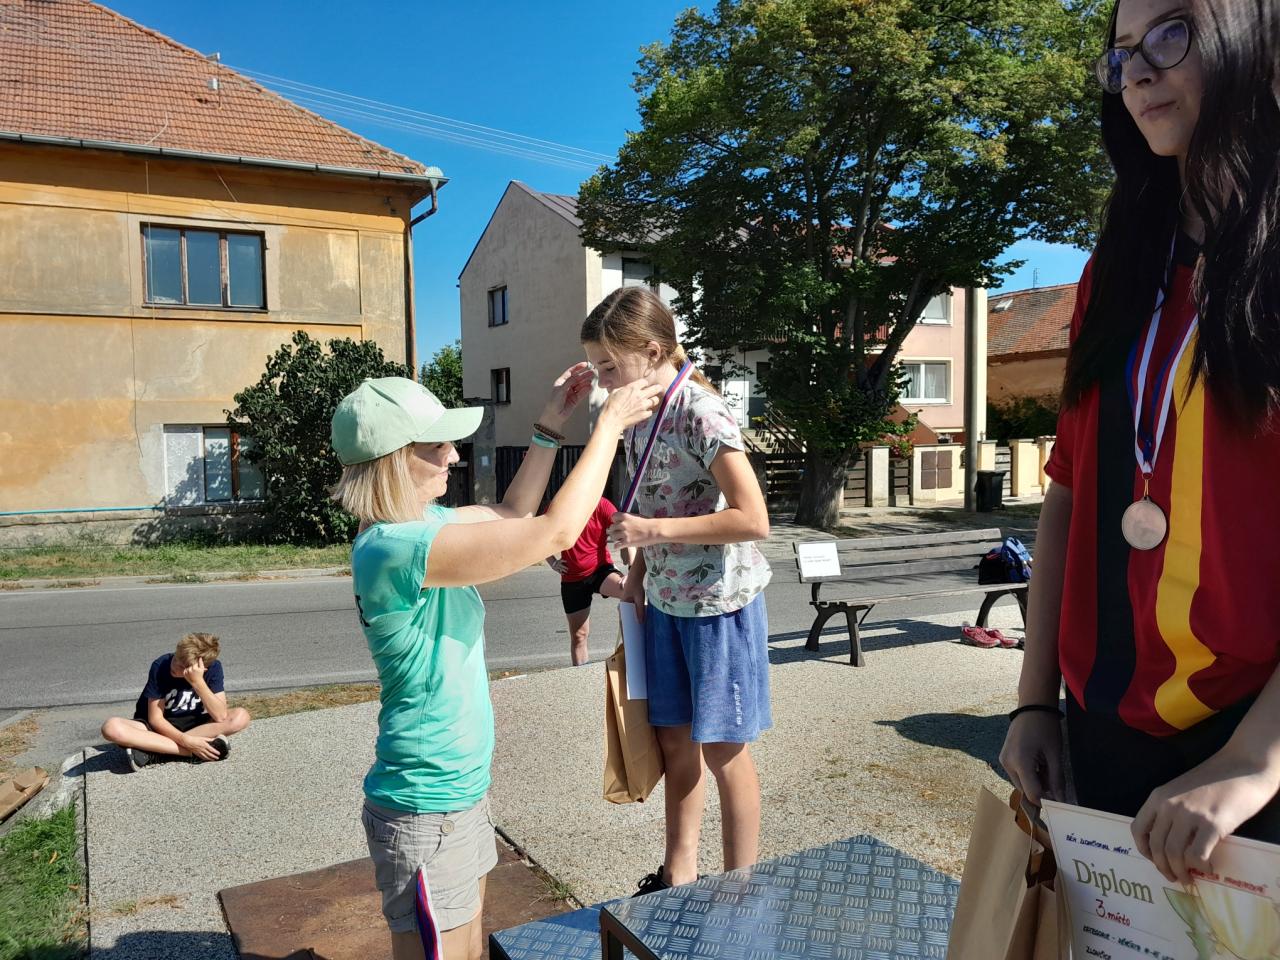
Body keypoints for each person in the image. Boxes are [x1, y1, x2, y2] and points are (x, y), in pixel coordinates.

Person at [1000, 0, 1280, 885]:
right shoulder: (1114, 270)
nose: (1139, 72)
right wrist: (1035, 701)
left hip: (1251, 745)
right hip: (1102, 729)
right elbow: (1068, 491)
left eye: (1172, 32)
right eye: (1121, 53)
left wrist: (1253, 762)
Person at [329, 370, 659, 960]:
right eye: (438, 445)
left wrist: (550, 425)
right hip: (425, 805)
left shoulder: (420, 526)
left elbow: (513, 510)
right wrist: (607, 425)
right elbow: (555, 532)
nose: (454, 456)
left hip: (458, 793)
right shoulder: (394, 548)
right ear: (395, 459)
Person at [581, 286, 773, 896]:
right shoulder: (637, 413)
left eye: (608, 366)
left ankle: (739, 888)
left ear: (652, 351)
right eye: (597, 368)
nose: (602, 381)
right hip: (664, 602)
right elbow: (651, 497)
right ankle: (678, 875)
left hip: (719, 606)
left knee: (723, 751)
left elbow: (754, 519)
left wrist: (652, 534)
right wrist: (639, 575)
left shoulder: (701, 411)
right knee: (673, 741)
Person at [101, 632, 250, 772]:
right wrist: (187, 742)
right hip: (155, 729)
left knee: (241, 717)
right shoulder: (161, 665)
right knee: (111, 728)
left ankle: (155, 753)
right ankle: (193, 752)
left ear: (201, 669)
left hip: (195, 726)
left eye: (182, 667)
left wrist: (198, 682)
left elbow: (220, 716)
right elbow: (155, 719)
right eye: (176, 658)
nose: (174, 665)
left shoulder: (214, 668)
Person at [546, 495, 635, 665]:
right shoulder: (559, 505)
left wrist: (631, 572)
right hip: (573, 578)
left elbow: (625, 532)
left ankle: (632, 655)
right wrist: (553, 562)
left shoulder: (601, 504)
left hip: (600, 570)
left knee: (629, 592)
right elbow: (542, 536)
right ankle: (581, 674)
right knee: (579, 636)